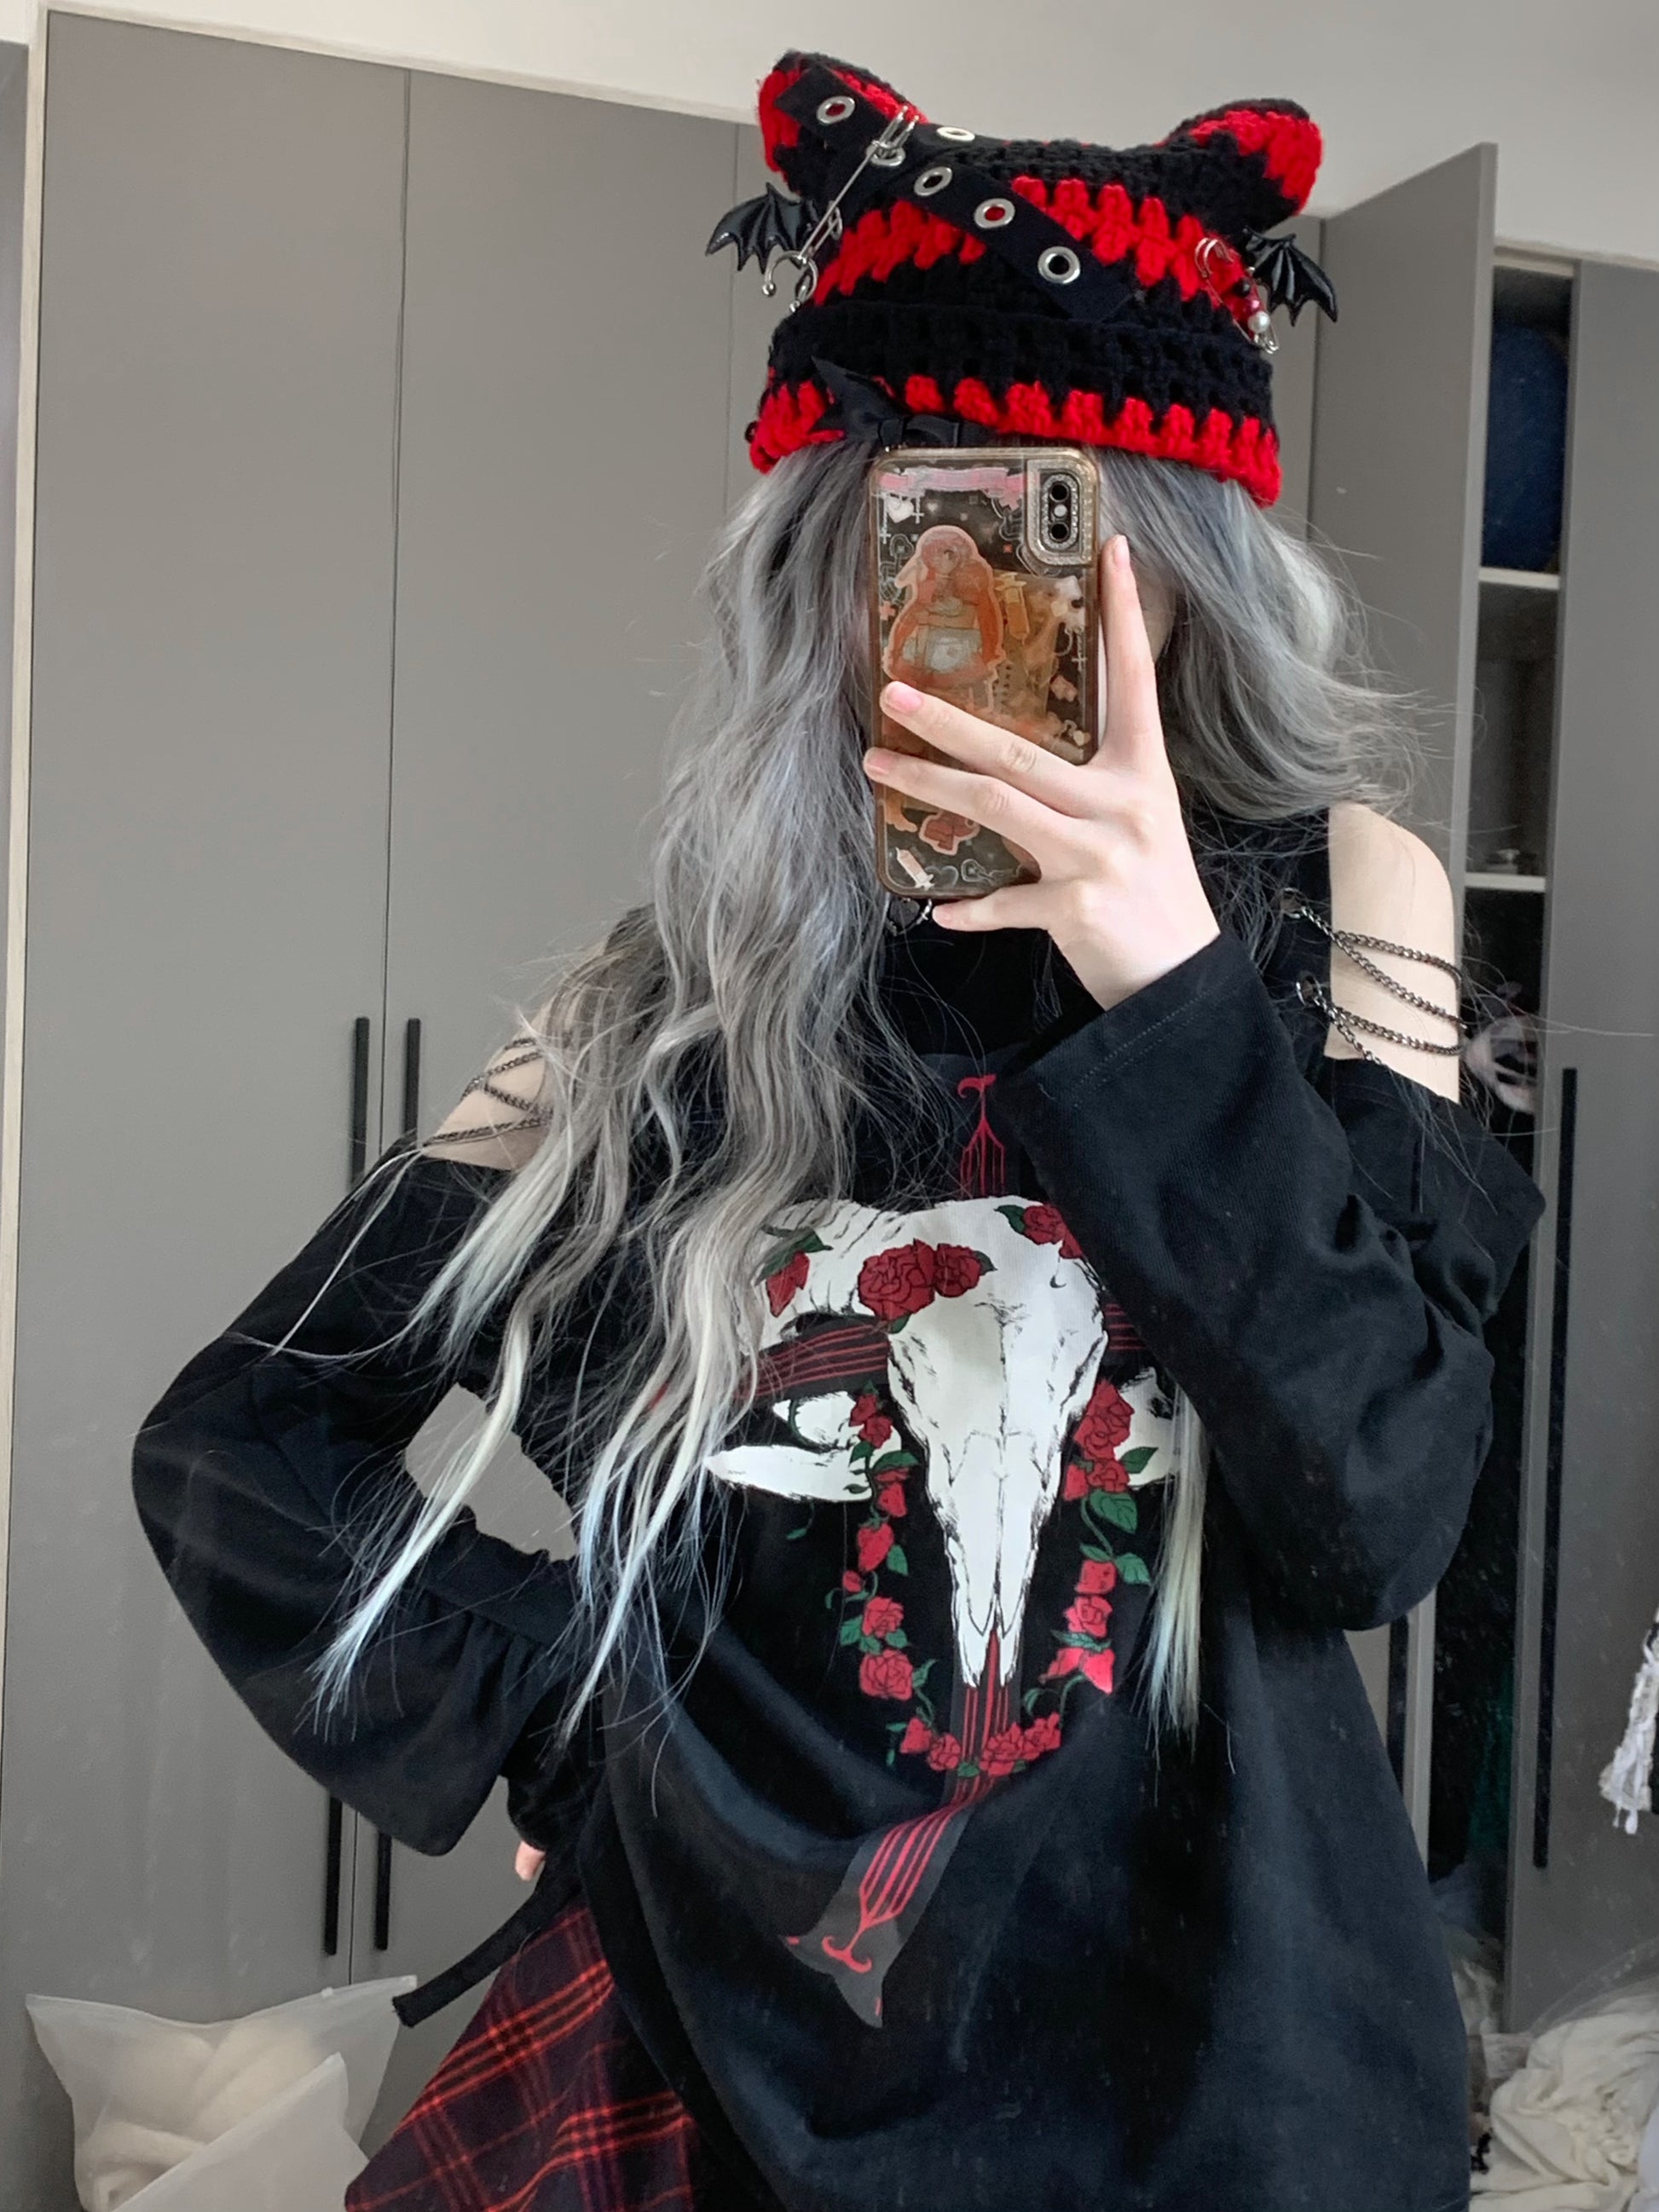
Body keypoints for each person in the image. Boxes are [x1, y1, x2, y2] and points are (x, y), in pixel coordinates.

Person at [130, 50, 1545, 2212]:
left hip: (1229, 2082)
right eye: (919, 530)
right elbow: (241, 1441)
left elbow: (1375, 1512)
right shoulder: (662, 1012)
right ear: (823, 562)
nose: (980, 618)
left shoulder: (1343, 906)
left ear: (1178, 558)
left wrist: (1162, 980)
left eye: (1057, 536)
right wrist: (560, 1714)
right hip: (743, 2063)